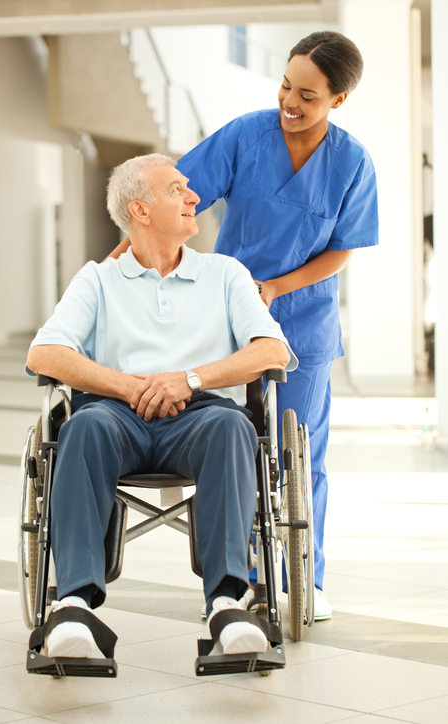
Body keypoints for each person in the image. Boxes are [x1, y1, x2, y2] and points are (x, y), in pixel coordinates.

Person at [108, 31, 379, 620]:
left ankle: (309, 573)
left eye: (307, 94)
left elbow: (344, 248)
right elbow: (176, 197)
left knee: (300, 449)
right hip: (228, 319)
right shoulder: (246, 135)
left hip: (303, 322)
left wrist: (279, 286)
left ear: (338, 100)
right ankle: (246, 574)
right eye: (285, 85)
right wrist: (119, 262)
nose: (290, 101)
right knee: (238, 443)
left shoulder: (353, 162)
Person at [25, 153, 291, 660]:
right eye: (176, 189)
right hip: (115, 414)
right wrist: (127, 387)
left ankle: (228, 603)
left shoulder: (225, 273)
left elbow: (271, 351)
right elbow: (46, 352)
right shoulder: (97, 280)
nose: (194, 197)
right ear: (140, 210)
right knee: (82, 428)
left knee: (232, 429)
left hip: (202, 415)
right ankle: (75, 605)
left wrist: (188, 380)